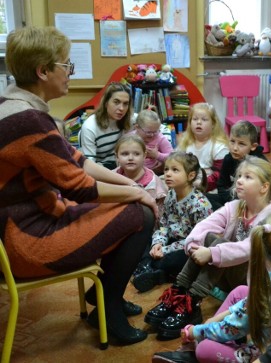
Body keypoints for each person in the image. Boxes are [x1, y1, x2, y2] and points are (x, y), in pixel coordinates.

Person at [1, 26, 157, 344]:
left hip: (21, 229)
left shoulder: (15, 107)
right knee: (142, 215)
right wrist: (139, 192)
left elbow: (80, 161)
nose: (70, 73)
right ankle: (108, 306)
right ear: (43, 71)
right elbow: (81, 187)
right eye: (66, 65)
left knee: (131, 206)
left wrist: (131, 185)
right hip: (30, 242)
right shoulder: (29, 120)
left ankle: (103, 294)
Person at [154, 209, 271, 363]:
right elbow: (249, 304)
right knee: (240, 291)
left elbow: (231, 328)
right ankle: (206, 342)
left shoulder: (264, 293)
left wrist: (194, 331)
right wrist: (212, 321)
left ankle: (197, 348)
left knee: (204, 349)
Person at [144, 157, 271, 340]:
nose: (239, 180)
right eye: (239, 176)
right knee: (208, 237)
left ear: (264, 187)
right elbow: (206, 225)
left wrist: (211, 253)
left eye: (247, 177)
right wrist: (193, 244)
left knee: (219, 245)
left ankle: (192, 301)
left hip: (252, 281)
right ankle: (178, 294)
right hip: (227, 274)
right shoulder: (235, 207)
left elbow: (248, 249)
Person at [132, 151, 213, 293]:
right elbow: (164, 225)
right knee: (143, 239)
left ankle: (155, 271)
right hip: (172, 241)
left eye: (175, 170)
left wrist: (165, 250)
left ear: (191, 175)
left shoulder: (200, 204)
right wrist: (158, 243)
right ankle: (148, 268)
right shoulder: (170, 195)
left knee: (179, 259)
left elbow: (198, 241)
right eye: (166, 169)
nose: (168, 174)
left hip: (188, 246)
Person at [207, 120, 268, 210]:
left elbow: (262, 192)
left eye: (241, 144)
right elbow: (221, 185)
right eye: (232, 141)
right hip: (231, 199)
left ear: (253, 146)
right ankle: (226, 214)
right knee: (203, 198)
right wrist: (231, 202)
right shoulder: (228, 159)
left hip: (252, 203)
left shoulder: (260, 163)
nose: (235, 148)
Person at [79, 81, 133, 169]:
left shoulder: (129, 118)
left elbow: (149, 121)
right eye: (116, 102)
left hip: (121, 165)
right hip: (100, 168)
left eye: (125, 104)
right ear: (106, 103)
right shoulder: (90, 126)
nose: (121, 108)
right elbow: (89, 165)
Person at [178, 102, 229, 192]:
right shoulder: (186, 142)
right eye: (195, 119)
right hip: (187, 180)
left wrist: (202, 183)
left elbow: (220, 174)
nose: (199, 122)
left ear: (213, 124)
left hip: (210, 186)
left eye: (204, 119)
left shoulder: (219, 147)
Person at [113, 134, 168, 216]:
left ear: (144, 155)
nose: (130, 158)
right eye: (125, 154)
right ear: (117, 156)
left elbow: (160, 214)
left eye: (136, 154)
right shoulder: (109, 178)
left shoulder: (154, 183)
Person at [132, 108, 173, 175]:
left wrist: (157, 155)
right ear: (137, 127)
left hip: (155, 173)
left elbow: (173, 157)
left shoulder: (160, 138)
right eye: (148, 132)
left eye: (155, 131)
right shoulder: (130, 138)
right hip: (132, 171)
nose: (152, 135)